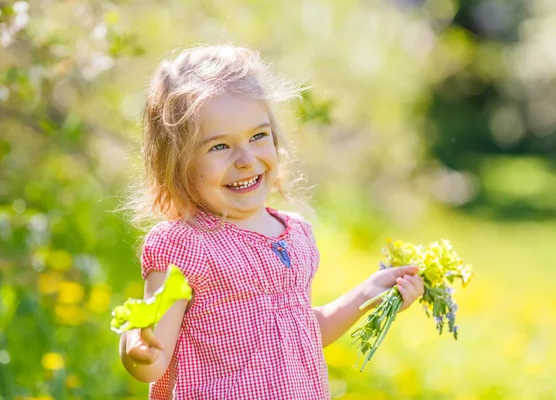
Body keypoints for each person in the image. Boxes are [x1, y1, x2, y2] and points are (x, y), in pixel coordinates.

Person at [118, 45, 424, 400]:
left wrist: (368, 294)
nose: (246, 159)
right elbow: (153, 361)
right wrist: (137, 347)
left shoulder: (295, 235)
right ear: (176, 162)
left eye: (257, 136)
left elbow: (301, 332)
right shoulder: (185, 245)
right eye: (219, 147)